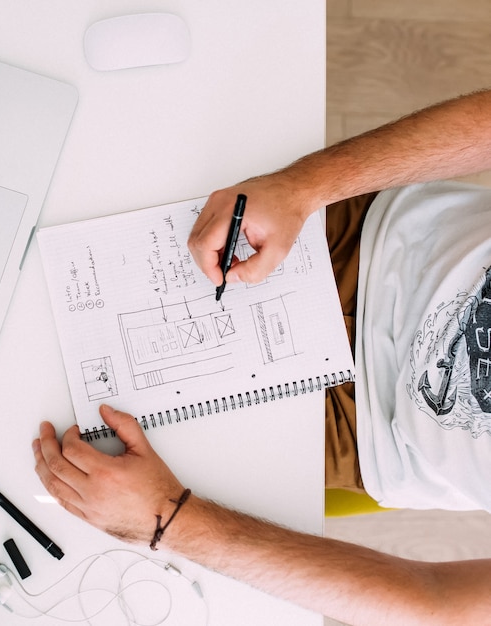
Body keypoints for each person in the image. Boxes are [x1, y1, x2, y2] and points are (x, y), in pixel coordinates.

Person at [32, 89, 491, 625]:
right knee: (91, 184)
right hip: (369, 235)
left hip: (360, 430)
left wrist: (168, 520)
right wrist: (303, 186)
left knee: (64, 433)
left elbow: (440, 605)